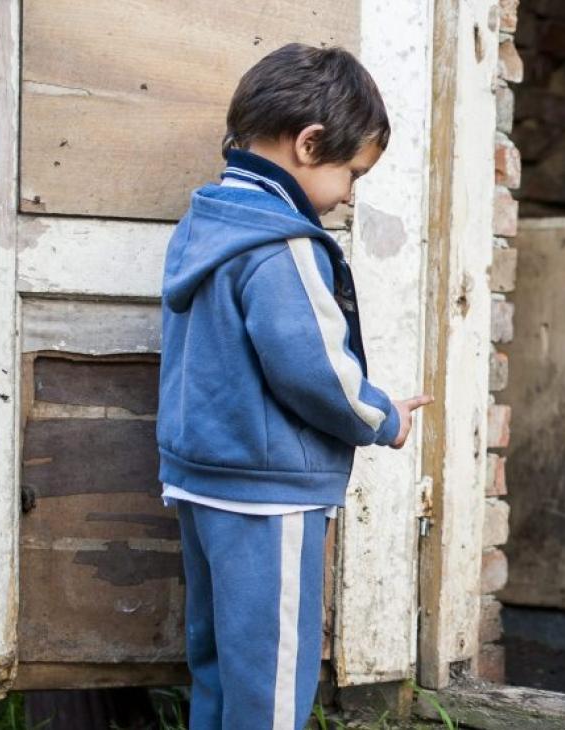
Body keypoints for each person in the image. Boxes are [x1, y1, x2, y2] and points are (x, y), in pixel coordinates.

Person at [156, 43, 430, 730]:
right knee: (272, 682)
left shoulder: (206, 223)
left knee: (218, 665)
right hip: (266, 493)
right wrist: (381, 417)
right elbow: (315, 371)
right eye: (352, 174)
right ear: (310, 145)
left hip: (200, 480)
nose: (348, 195)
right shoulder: (283, 244)